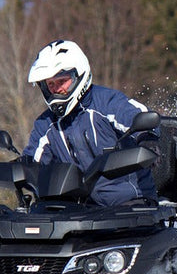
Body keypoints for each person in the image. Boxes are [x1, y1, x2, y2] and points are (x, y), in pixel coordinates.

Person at [22, 39, 158, 206]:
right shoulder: (46, 124)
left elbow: (137, 116)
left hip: (131, 204)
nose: (57, 89)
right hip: (81, 211)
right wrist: (20, 169)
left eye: (61, 81)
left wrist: (147, 139)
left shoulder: (106, 102)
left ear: (79, 75)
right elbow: (33, 161)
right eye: (50, 84)